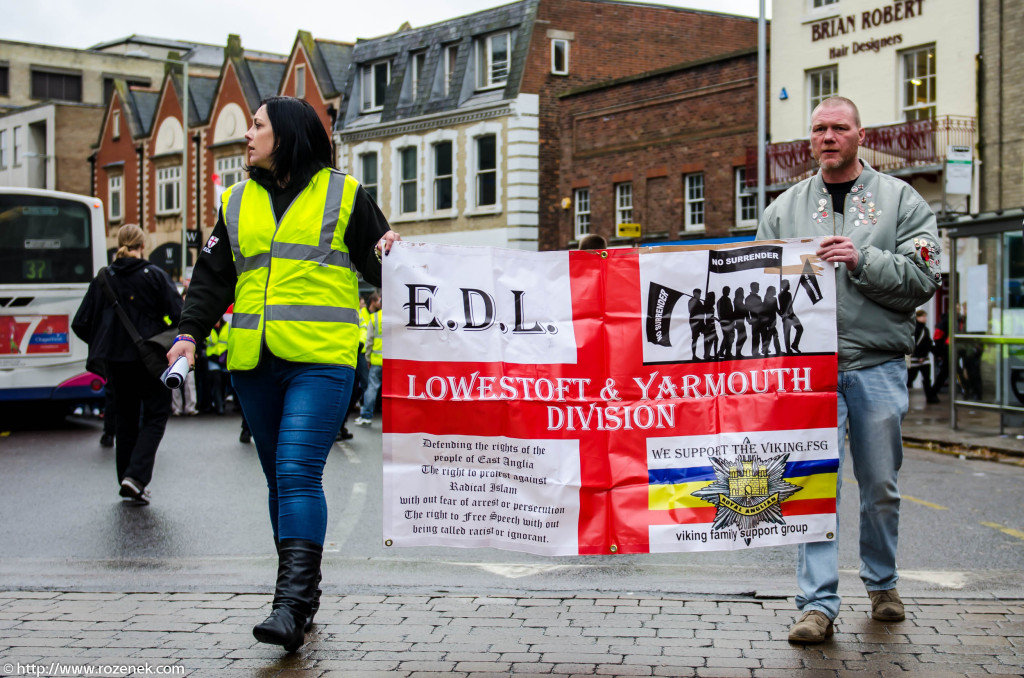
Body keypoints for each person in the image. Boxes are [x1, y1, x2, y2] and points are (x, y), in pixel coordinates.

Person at [166, 96, 399, 652]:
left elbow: (386, 269)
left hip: (322, 359)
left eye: (257, 125)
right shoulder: (236, 200)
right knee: (280, 481)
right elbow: (210, 281)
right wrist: (187, 335)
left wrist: (393, 253)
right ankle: (303, 597)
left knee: (295, 471)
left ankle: (290, 608)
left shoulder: (345, 194)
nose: (247, 134)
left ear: (287, 134)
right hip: (252, 364)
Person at [756, 96, 941, 643]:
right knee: (814, 486)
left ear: (861, 134)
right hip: (809, 373)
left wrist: (863, 260)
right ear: (809, 139)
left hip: (877, 364)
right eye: (819, 129)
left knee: (880, 484)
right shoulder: (783, 209)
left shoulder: (900, 200)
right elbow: (755, 288)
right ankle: (817, 605)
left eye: (839, 127)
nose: (828, 136)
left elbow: (925, 277)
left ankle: (883, 583)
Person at [72, 224, 182, 506]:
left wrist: (104, 341)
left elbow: (80, 323)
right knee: (157, 415)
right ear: (142, 245)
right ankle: (136, 477)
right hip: (151, 358)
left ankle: (127, 479)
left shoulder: (102, 279)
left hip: (116, 361)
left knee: (125, 420)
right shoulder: (154, 275)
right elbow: (179, 313)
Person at [355, 292, 383, 426]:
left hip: (377, 359)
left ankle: (366, 415)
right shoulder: (398, 318)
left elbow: (369, 340)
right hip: (394, 362)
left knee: (371, 387)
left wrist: (367, 358)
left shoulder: (375, 318)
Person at [907, 310, 939, 404]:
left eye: (925, 316)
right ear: (917, 317)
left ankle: (930, 397)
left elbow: (928, 343)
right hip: (917, 359)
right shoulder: (916, 328)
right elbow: (915, 344)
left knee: (926, 378)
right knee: (911, 378)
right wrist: (919, 355)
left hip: (924, 359)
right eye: (923, 316)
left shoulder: (925, 329)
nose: (925, 318)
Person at [778, 279, 804, 354]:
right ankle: (788, 350)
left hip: (791, 315)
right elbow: (781, 307)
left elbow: (790, 307)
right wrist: (783, 315)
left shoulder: (789, 294)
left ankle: (795, 345)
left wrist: (791, 313)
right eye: (788, 284)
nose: (789, 285)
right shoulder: (781, 295)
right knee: (787, 333)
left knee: (800, 329)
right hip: (786, 316)